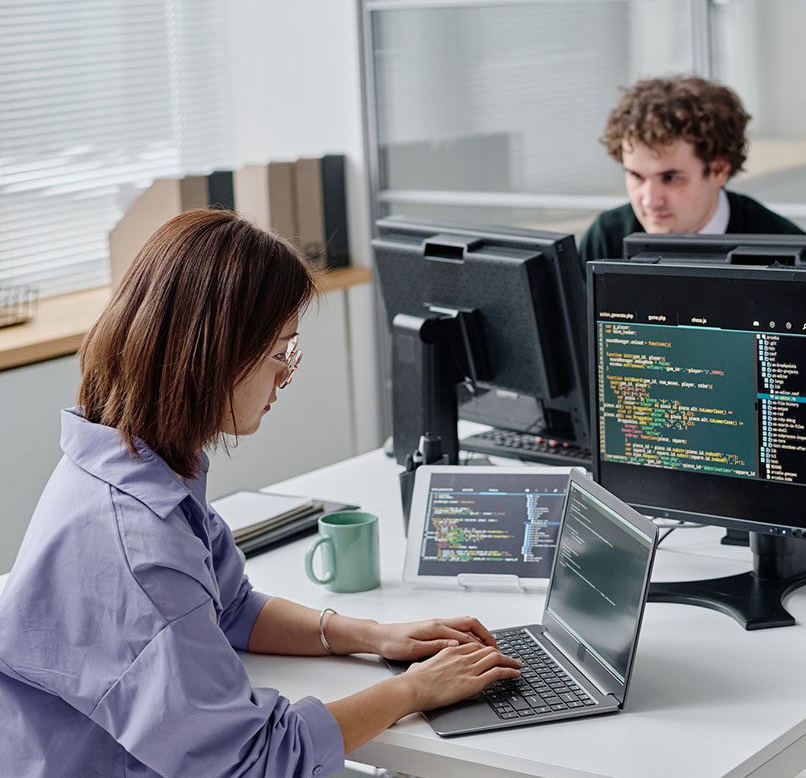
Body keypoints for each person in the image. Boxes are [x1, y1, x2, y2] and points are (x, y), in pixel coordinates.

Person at [0, 209, 522, 776]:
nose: (286, 375)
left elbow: (230, 608)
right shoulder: (139, 547)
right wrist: (414, 691)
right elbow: (257, 761)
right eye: (280, 352)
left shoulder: (129, 457)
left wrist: (375, 636)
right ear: (213, 355)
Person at [578, 75, 803, 269]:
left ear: (719, 170)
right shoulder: (606, 239)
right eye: (636, 176)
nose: (650, 200)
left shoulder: (786, 253)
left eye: (671, 178)